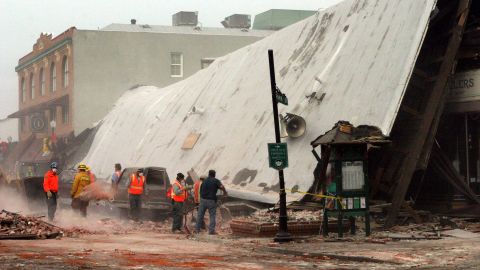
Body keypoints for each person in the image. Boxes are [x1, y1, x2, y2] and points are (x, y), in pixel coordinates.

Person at [196, 170, 228, 235]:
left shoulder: (204, 181)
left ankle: (197, 230)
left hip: (203, 200)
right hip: (211, 200)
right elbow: (221, 187)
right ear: (214, 174)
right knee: (212, 216)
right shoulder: (216, 181)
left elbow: (200, 190)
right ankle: (211, 231)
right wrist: (225, 192)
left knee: (200, 216)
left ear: (208, 174)